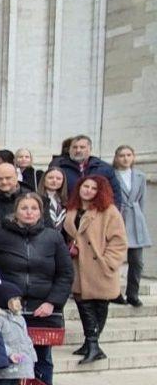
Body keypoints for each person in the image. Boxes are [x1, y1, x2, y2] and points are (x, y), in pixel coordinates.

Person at [0, 192, 72, 385]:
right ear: (16, 211)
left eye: (34, 208)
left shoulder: (53, 237)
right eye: (24, 208)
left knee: (42, 357)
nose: (29, 212)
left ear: (40, 211)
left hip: (42, 308)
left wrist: (52, 302)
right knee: (9, 355)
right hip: (8, 309)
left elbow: (65, 273)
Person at [64, 175, 127, 364]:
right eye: (86, 186)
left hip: (99, 266)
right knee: (83, 304)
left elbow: (119, 240)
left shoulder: (109, 211)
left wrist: (108, 262)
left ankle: (93, 344)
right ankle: (91, 343)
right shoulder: (72, 209)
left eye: (93, 188)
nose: (88, 190)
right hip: (79, 265)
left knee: (99, 305)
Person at [113, 145, 150, 306]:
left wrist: (140, 219)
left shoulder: (140, 176)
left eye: (129, 155)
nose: (125, 158)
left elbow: (142, 200)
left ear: (133, 157)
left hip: (135, 219)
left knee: (137, 260)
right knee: (116, 259)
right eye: (122, 155)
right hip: (119, 217)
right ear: (116, 157)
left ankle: (133, 293)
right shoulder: (112, 175)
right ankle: (114, 292)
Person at [48, 134, 122, 209]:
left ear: (90, 149)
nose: (78, 150)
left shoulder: (104, 168)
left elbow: (116, 193)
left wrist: (112, 213)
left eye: (82, 147)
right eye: (74, 147)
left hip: (97, 213)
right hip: (69, 212)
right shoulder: (60, 167)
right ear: (69, 149)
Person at [0, 160, 51, 228]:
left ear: (16, 176)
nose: (4, 182)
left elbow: (47, 227)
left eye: (8, 178)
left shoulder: (36, 198)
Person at [41, 167, 69, 237]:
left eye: (58, 179)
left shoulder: (65, 201)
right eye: (50, 178)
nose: (54, 181)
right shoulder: (37, 199)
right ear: (44, 180)